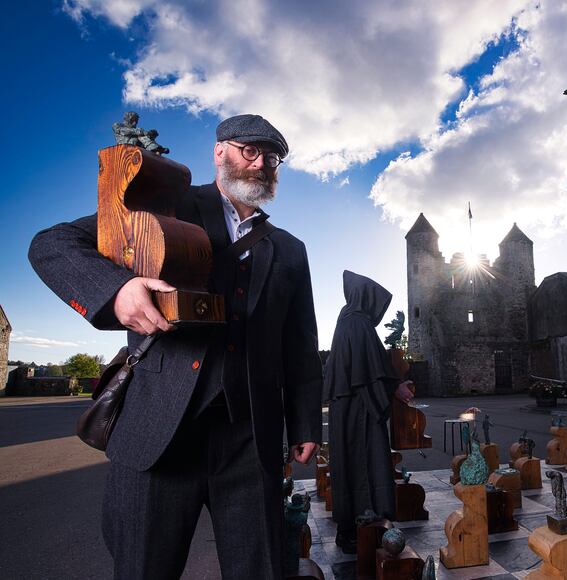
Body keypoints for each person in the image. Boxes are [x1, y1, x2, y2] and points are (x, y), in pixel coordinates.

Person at [29, 114, 323, 578]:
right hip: (158, 435)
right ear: (220, 152)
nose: (262, 163)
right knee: (144, 570)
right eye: (251, 150)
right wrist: (117, 290)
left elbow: (301, 346)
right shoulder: (166, 204)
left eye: (273, 158)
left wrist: (306, 423)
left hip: (251, 440)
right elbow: (52, 244)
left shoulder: (290, 249)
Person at [323, 271, 414, 553]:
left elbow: (368, 367)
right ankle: (359, 527)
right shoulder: (358, 324)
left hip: (348, 410)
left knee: (350, 464)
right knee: (362, 462)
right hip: (359, 411)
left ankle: (349, 530)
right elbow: (371, 373)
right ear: (365, 297)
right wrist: (395, 388)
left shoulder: (346, 322)